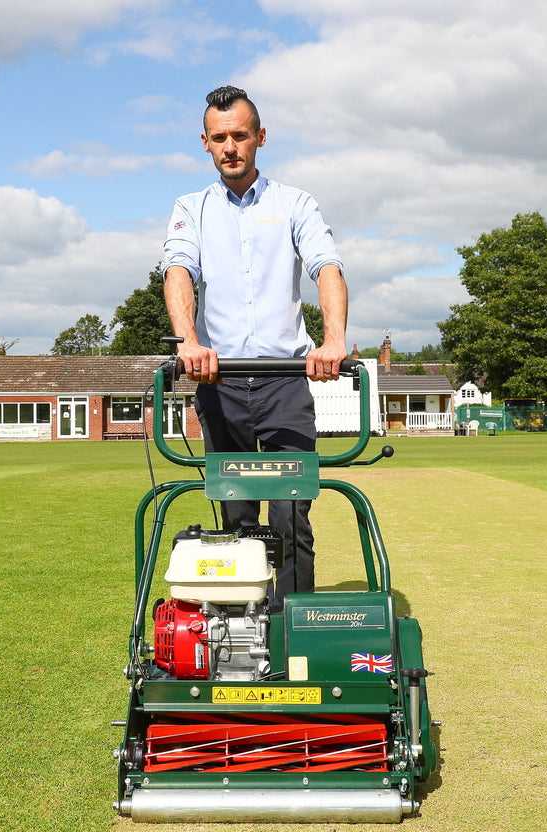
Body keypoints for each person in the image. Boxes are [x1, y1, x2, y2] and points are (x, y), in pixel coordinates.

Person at [162, 85, 349, 613]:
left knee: (292, 517)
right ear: (205, 142)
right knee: (237, 517)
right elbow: (179, 270)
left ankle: (295, 636)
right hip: (218, 383)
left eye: (240, 135)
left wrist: (333, 340)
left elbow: (326, 267)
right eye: (219, 137)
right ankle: (238, 640)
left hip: (285, 382)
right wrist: (189, 342)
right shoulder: (190, 208)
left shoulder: (294, 204)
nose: (230, 147)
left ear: (260, 137)